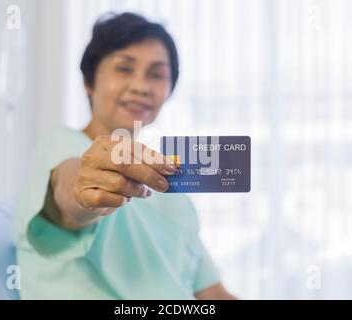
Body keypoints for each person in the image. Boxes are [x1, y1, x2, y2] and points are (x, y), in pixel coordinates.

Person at [14, 12, 236, 300]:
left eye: (156, 74)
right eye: (124, 68)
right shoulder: (61, 147)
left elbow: (212, 293)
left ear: (168, 91)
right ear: (88, 81)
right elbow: (70, 189)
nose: (141, 87)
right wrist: (86, 189)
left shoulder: (175, 191)